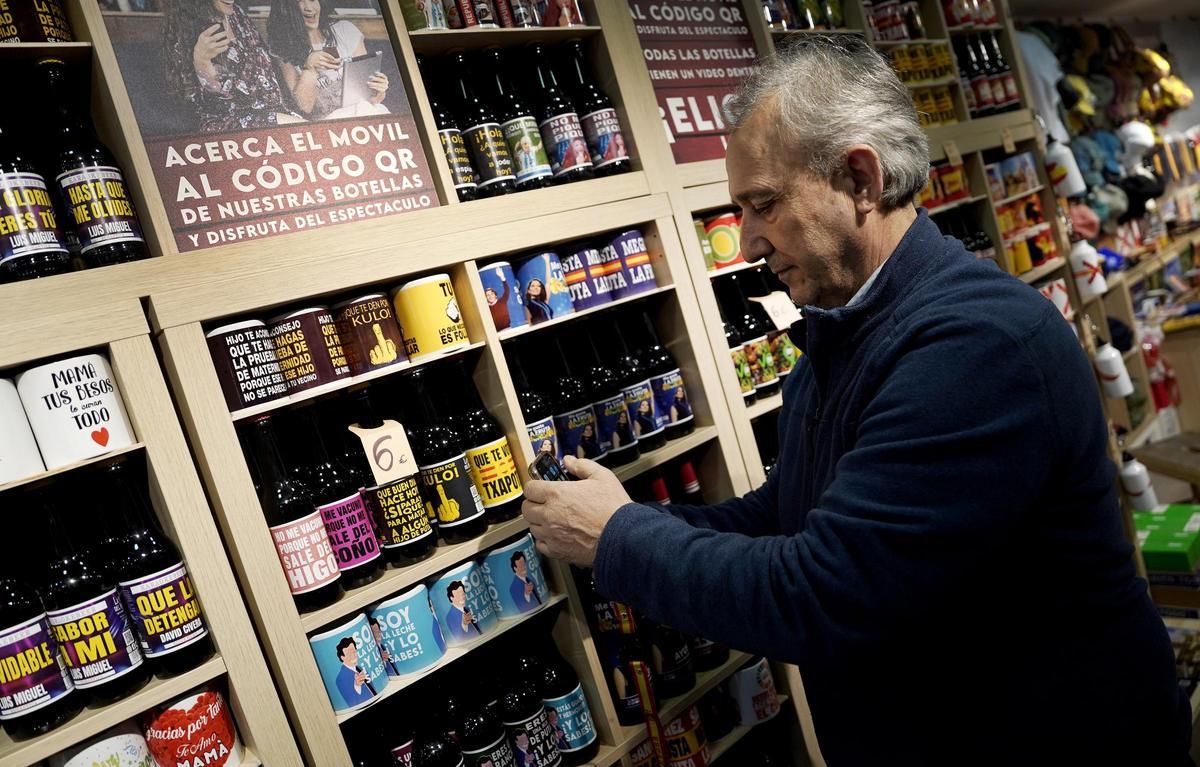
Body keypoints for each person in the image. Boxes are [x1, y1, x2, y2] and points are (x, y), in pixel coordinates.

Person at [520, 36, 1189, 765]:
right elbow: (787, 513)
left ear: (861, 179)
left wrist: (617, 540)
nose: (745, 243)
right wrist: (631, 518)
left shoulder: (975, 348)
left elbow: (823, 593)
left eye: (764, 205)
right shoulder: (847, 328)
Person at [164, 0, 293, 132]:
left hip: (269, 113)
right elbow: (196, 102)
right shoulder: (185, 25)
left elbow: (264, 72)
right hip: (225, 126)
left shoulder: (237, 14)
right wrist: (202, 62)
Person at [267, 0, 389, 120]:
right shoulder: (283, 50)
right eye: (299, 1)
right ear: (285, 9)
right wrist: (310, 69)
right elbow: (305, 107)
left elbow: (367, 96)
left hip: (365, 112)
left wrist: (378, 91)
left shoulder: (345, 31)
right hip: (332, 123)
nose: (309, 7)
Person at [333, 637, 374, 707]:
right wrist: (357, 685)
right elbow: (352, 702)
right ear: (342, 657)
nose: (353, 656)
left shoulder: (360, 668)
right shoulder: (340, 678)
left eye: (354, 652)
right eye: (349, 654)